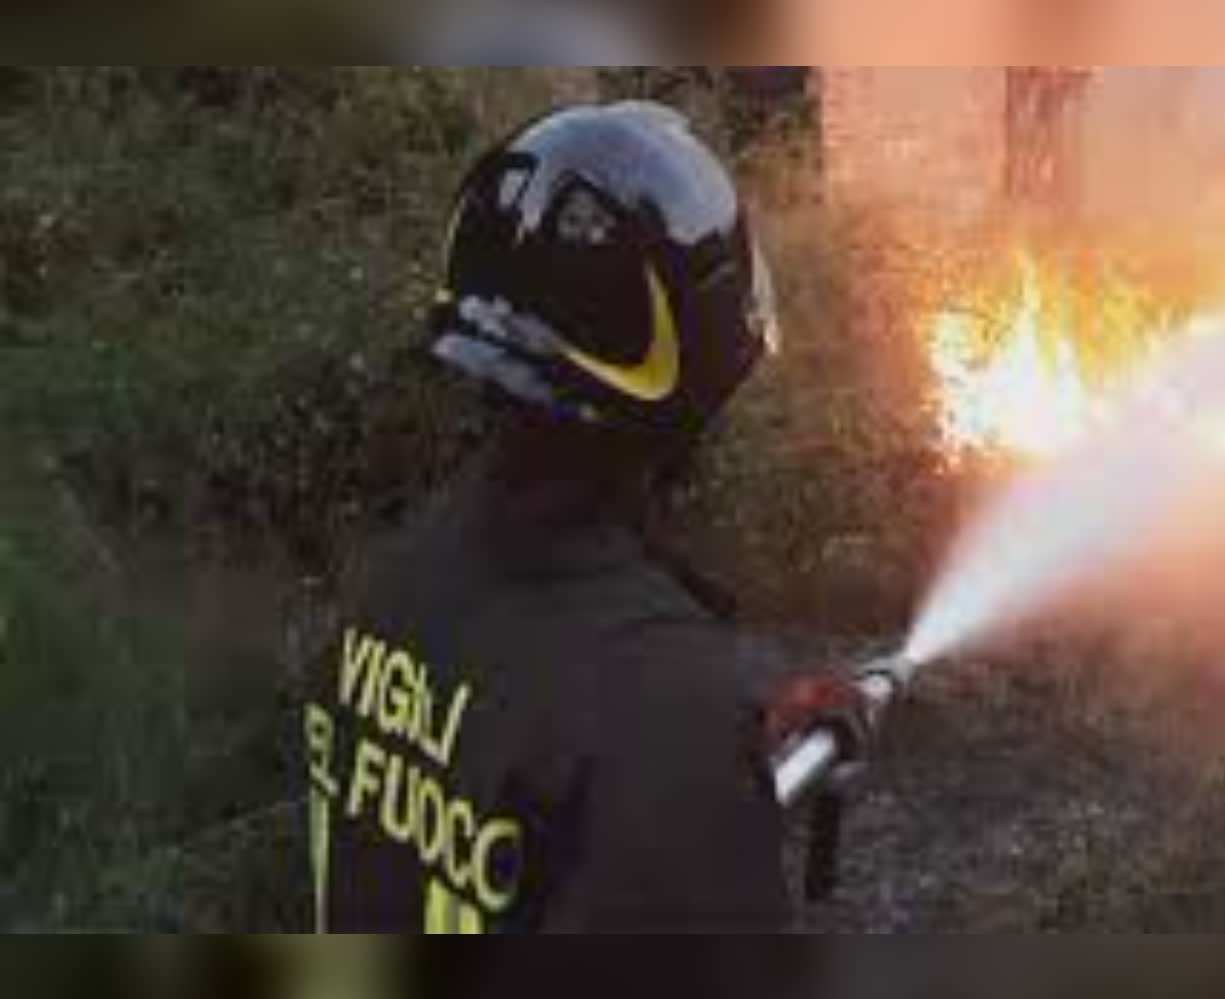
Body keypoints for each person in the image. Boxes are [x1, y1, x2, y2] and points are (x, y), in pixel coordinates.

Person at [300, 100, 845, 933]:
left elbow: (513, 778)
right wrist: (699, 761)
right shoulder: (657, 705)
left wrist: (730, 755)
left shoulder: (392, 585)